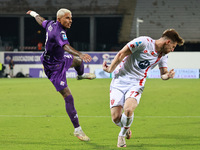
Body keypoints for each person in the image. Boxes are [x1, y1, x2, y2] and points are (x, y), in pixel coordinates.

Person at [103, 29, 184, 147]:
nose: (172, 50)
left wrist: (168, 76)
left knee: (129, 109)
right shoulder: (143, 42)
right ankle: (126, 126)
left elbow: (163, 75)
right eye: (173, 46)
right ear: (167, 42)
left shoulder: (163, 56)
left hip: (137, 83)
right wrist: (110, 69)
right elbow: (121, 53)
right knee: (116, 118)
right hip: (119, 80)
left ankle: (122, 135)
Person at [26, 8, 96, 141]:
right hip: (53, 68)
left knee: (78, 62)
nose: (71, 21)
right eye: (67, 18)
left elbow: (41, 20)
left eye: (71, 18)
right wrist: (80, 53)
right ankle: (78, 130)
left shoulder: (51, 24)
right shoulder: (58, 32)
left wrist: (34, 14)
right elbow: (66, 47)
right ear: (59, 19)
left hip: (60, 60)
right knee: (68, 97)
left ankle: (80, 75)